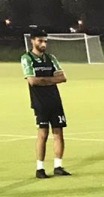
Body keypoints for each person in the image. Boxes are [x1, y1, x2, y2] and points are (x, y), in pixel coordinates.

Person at [21, 28, 70, 178]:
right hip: (40, 102)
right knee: (43, 133)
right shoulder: (27, 58)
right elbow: (32, 81)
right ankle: (40, 168)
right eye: (40, 41)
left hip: (55, 100)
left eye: (45, 41)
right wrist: (51, 80)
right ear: (32, 41)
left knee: (59, 132)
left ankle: (58, 166)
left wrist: (43, 80)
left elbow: (63, 77)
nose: (43, 44)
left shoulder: (51, 58)